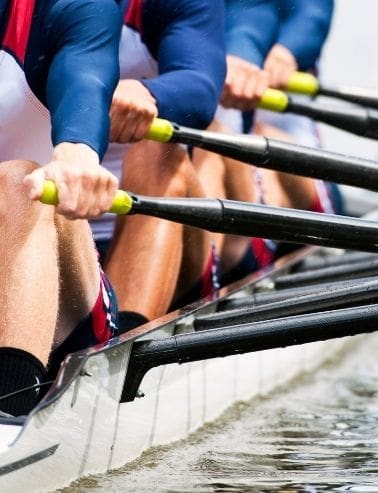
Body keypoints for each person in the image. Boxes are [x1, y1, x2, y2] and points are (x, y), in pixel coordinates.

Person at [0, 0, 121, 416]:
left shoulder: (73, 8)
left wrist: (77, 155)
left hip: (62, 292)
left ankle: (10, 402)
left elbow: (84, 79)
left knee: (20, 181)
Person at [92, 0, 226, 331]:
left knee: (157, 151)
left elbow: (201, 88)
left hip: (146, 227)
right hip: (45, 219)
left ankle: (121, 346)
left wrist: (147, 92)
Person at [194, 0, 341, 284]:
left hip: (297, 167)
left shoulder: (256, 13)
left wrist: (284, 55)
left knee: (254, 137)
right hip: (224, 159)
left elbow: (312, 17)